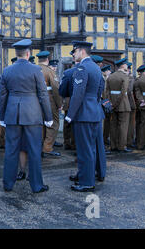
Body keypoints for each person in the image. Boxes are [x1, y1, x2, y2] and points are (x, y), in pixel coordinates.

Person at [0, 39, 52, 193]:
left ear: (16, 54)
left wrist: (1, 117)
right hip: (32, 113)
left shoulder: (7, 70)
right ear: (28, 54)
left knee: (11, 150)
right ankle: (36, 185)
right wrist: (48, 117)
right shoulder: (36, 70)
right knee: (34, 150)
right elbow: (43, 94)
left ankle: (8, 184)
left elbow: (3, 96)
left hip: (12, 114)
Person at [65, 41, 106, 192]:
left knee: (84, 150)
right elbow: (101, 89)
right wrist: (94, 104)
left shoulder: (82, 67)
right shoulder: (96, 67)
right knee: (91, 149)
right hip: (94, 111)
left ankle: (87, 182)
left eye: (74, 51)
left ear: (81, 51)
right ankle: (85, 175)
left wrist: (70, 115)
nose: (74, 54)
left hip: (83, 114)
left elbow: (78, 94)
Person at [37, 51, 62, 157]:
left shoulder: (34, 69)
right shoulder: (49, 71)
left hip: (36, 101)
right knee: (53, 124)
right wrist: (59, 103)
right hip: (49, 101)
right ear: (47, 60)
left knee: (41, 124)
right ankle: (47, 148)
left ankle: (40, 146)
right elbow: (56, 89)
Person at [106, 58, 132, 153]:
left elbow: (107, 91)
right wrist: (116, 104)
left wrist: (111, 103)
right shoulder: (125, 76)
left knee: (113, 126)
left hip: (112, 104)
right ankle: (121, 146)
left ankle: (113, 145)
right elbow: (123, 92)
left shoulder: (111, 76)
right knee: (123, 126)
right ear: (122, 65)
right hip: (123, 104)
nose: (126, 66)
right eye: (125, 64)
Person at [126, 62, 137, 148]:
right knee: (130, 125)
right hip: (129, 103)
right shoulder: (130, 78)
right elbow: (130, 91)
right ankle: (129, 141)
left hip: (120, 103)